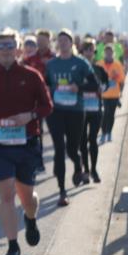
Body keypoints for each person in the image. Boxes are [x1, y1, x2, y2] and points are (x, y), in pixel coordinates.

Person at [0, 27, 54, 255]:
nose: (6, 51)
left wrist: (29, 115)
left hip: (26, 143)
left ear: (18, 49)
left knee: (27, 198)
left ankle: (30, 218)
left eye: (11, 46)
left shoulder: (31, 75)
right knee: (6, 194)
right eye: (2, 47)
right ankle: (12, 246)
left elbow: (47, 106)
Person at [44, 29, 99, 206]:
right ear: (57, 43)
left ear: (71, 43)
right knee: (59, 148)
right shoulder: (52, 64)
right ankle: (62, 191)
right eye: (59, 40)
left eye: (65, 40)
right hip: (56, 111)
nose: (62, 43)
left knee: (72, 149)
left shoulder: (81, 63)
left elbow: (94, 84)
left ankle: (78, 165)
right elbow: (45, 85)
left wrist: (79, 88)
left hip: (76, 110)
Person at [78, 40, 108, 183]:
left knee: (93, 140)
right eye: (86, 50)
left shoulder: (99, 69)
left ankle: (94, 170)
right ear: (82, 52)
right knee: (82, 141)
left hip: (96, 109)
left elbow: (106, 84)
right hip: (81, 110)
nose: (89, 53)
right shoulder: (77, 69)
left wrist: (102, 88)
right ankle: (86, 170)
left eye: (91, 50)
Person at [98, 43, 126, 143]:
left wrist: (116, 77)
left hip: (114, 94)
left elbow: (122, 79)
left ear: (113, 53)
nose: (108, 54)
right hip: (103, 94)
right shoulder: (100, 64)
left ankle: (109, 132)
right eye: (107, 53)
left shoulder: (117, 64)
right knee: (104, 114)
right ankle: (103, 133)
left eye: (110, 53)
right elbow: (96, 78)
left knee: (111, 114)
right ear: (104, 53)